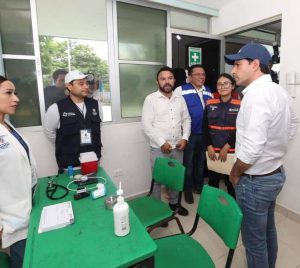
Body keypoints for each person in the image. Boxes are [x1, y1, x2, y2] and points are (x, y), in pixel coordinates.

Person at [225, 43, 299, 268]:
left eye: (238, 64)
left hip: (255, 182)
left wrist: (235, 173)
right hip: (275, 174)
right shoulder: (279, 91)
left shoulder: (256, 96)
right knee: (268, 230)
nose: (233, 71)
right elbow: (294, 122)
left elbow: (253, 147)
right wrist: (277, 146)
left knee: (254, 242)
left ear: (255, 65)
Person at [142, 66, 191, 216]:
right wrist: (162, 142)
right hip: (159, 149)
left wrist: (185, 137)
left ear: (174, 80)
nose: (167, 81)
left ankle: (174, 204)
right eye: (163, 79)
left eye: (170, 78)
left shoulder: (180, 98)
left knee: (175, 178)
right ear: (157, 82)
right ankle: (157, 210)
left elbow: (186, 119)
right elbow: (146, 125)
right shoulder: (151, 99)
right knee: (158, 180)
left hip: (177, 148)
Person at [0, 75, 38, 268]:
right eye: (9, 93)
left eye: (15, 93)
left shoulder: (7, 125)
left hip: (25, 210)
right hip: (12, 220)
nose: (16, 98)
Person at [43, 70, 103, 173]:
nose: (86, 86)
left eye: (86, 83)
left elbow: (99, 126)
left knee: (95, 188)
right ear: (69, 86)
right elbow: (49, 132)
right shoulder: (56, 108)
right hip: (70, 166)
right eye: (81, 84)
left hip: (92, 161)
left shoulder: (96, 105)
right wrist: (66, 145)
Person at [175, 64, 212, 204]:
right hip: (188, 134)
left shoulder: (208, 90)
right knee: (188, 163)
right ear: (189, 77)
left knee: (200, 163)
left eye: (203, 74)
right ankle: (187, 189)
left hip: (204, 134)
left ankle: (199, 186)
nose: (201, 77)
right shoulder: (181, 90)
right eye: (197, 74)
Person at [203, 73, 240, 198]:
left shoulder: (240, 104)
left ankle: (232, 212)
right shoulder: (209, 103)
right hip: (213, 151)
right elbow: (205, 127)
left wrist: (227, 147)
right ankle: (213, 209)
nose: (222, 86)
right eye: (219, 84)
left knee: (231, 183)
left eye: (226, 83)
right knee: (213, 182)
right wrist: (208, 145)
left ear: (233, 86)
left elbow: (240, 129)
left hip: (231, 152)